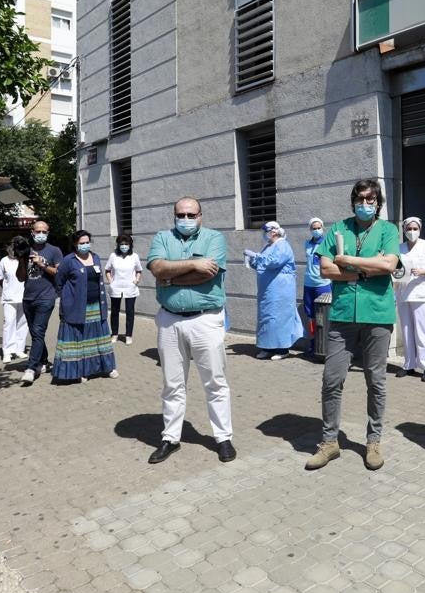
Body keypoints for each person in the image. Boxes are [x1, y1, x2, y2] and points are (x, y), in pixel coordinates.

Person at [306, 179, 401, 471]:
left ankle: (373, 441)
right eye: (360, 199)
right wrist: (362, 271)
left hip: (377, 316)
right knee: (332, 380)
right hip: (343, 315)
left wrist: (347, 261)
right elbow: (325, 268)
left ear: (378, 203)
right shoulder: (337, 229)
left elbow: (389, 265)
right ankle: (330, 442)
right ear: (353, 201)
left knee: (376, 381)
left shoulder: (388, 230)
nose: (365, 204)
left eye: (371, 200)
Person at [146, 197, 236, 464]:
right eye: (180, 214)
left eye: (191, 214)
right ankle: (170, 438)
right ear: (174, 215)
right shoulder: (162, 238)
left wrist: (170, 277)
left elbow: (208, 274)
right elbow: (156, 267)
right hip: (170, 320)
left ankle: (223, 438)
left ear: (200, 216)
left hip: (205, 320)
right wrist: (194, 264)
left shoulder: (214, 239)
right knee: (173, 384)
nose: (185, 219)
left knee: (215, 382)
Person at [53, 230, 119, 383]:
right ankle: (81, 371)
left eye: (87, 242)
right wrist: (67, 299)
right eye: (81, 243)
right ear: (75, 244)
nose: (85, 245)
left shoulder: (95, 257)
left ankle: (107, 367)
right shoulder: (69, 260)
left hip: (97, 306)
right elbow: (59, 281)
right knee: (81, 341)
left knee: (100, 339)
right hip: (77, 308)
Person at [245, 221, 303, 360]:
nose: (264, 234)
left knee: (280, 317)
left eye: (266, 231)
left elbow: (273, 262)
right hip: (267, 291)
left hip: (281, 290)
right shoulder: (268, 246)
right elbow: (261, 264)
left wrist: (257, 256)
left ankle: (282, 349)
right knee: (266, 317)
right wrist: (252, 260)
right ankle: (266, 348)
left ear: (274, 231)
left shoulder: (283, 245)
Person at [395, 216, 425, 382]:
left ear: (420, 230)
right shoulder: (398, 248)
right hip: (403, 293)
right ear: (404, 230)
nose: (412, 232)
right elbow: (395, 271)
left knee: (423, 331)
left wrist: (421, 271)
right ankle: (409, 364)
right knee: (407, 331)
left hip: (422, 294)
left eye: (415, 229)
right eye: (409, 229)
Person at [21, 220, 63, 385]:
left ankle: (31, 368)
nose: (41, 234)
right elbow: (20, 277)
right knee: (35, 332)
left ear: (48, 232)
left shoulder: (54, 250)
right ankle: (44, 360)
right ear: (32, 232)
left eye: (44, 231)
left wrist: (43, 264)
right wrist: (21, 260)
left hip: (46, 297)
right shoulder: (26, 250)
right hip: (27, 297)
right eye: (38, 231)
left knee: (38, 330)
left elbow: (59, 272)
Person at [301, 218, 332, 356]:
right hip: (309, 284)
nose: (316, 230)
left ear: (323, 228)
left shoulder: (327, 243)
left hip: (323, 284)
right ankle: (314, 345)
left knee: (325, 315)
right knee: (311, 316)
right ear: (310, 229)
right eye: (314, 228)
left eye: (319, 227)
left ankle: (327, 346)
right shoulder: (307, 244)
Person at [0, 236, 30, 363]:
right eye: (12, 245)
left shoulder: (25, 259)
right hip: (9, 297)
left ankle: (19, 349)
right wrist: (8, 288)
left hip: (24, 296)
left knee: (23, 323)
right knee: (9, 323)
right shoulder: (4, 261)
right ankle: (7, 351)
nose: (13, 249)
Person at [105, 233, 142, 345]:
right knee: (115, 312)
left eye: (126, 244)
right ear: (118, 245)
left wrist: (136, 280)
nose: (124, 246)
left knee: (130, 312)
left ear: (130, 245)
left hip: (130, 288)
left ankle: (128, 335)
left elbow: (139, 270)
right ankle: (115, 334)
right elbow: (107, 270)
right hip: (116, 288)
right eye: (122, 244)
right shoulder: (113, 256)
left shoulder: (134, 256)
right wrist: (111, 281)